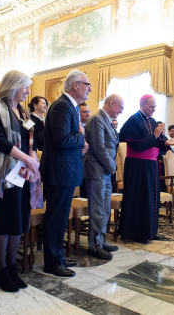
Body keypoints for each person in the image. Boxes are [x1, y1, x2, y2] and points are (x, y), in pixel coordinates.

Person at [0, 70, 40, 292]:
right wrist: (26, 159)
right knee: (7, 221)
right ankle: (1, 270)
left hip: (23, 172)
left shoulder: (24, 113)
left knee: (20, 220)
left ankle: (12, 269)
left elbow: (31, 142)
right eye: (25, 87)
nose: (28, 91)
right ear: (13, 86)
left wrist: (31, 161)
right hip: (7, 172)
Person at [40, 69, 89, 277]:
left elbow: (65, 140)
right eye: (87, 85)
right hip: (60, 171)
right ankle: (52, 263)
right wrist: (81, 137)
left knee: (61, 217)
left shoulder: (70, 105)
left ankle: (58, 256)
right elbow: (60, 140)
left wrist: (79, 145)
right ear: (76, 85)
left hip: (65, 169)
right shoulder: (62, 106)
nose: (89, 89)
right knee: (56, 217)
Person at [118, 95, 174, 244]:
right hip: (138, 166)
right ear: (142, 104)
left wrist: (165, 142)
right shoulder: (134, 120)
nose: (154, 110)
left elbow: (156, 142)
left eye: (155, 107)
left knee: (152, 198)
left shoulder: (151, 121)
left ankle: (150, 231)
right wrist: (156, 135)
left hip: (151, 165)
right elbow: (138, 146)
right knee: (140, 198)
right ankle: (138, 233)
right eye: (151, 107)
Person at [84, 94, 123, 260]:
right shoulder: (96, 119)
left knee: (105, 209)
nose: (121, 111)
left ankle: (102, 240)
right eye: (120, 107)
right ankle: (94, 245)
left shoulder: (106, 120)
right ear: (112, 103)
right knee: (97, 209)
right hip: (97, 171)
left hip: (105, 171)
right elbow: (98, 147)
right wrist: (112, 165)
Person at [78, 102, 91, 198]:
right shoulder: (76, 127)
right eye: (84, 112)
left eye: (88, 111)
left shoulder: (92, 126)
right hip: (80, 161)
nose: (88, 114)